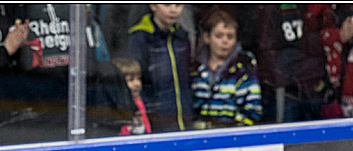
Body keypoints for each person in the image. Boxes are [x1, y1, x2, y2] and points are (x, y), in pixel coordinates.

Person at [126, 4, 193, 132]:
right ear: (153, 5)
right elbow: (135, 80)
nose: (173, 10)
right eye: (167, 4)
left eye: (178, 5)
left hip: (185, 119)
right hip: (154, 121)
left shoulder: (182, 36)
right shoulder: (140, 37)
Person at [190, 9, 262, 128]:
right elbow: (192, 109)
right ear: (207, 37)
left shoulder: (244, 70)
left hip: (234, 136)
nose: (225, 41)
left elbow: (253, 110)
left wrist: (232, 129)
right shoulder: (196, 70)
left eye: (230, 37)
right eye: (219, 36)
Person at [111, 56, 151, 134]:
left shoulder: (142, 101)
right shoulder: (122, 105)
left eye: (139, 78)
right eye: (131, 80)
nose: (137, 84)